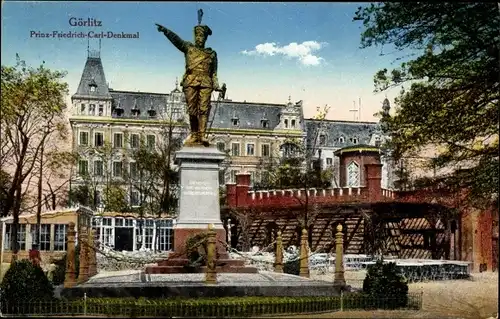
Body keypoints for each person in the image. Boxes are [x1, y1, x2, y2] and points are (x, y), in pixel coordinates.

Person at [156, 22, 223, 146]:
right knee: (192, 110)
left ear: (205, 38)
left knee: (203, 109)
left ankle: (202, 135)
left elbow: (214, 73)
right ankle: (194, 134)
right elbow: (177, 41)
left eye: (201, 36)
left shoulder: (212, 54)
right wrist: (166, 31)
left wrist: (217, 85)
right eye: (197, 36)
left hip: (206, 83)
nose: (198, 39)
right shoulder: (188, 48)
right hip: (190, 81)